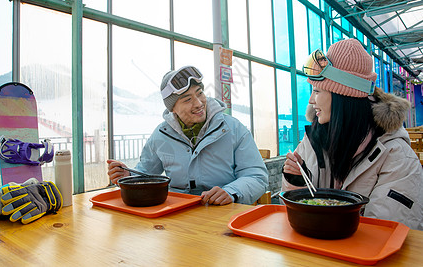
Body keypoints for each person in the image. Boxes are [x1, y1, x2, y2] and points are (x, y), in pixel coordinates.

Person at [282, 38, 423, 230]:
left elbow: (384, 233)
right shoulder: (313, 139)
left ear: (343, 96)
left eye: (317, 91)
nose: (311, 100)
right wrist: (296, 183)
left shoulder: (395, 155)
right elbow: (295, 213)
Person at [108, 65, 268, 205]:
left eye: (200, 93)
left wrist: (232, 192)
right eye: (187, 99)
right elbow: (146, 174)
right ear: (173, 109)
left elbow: (257, 176)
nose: (198, 103)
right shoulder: (161, 135)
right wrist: (129, 176)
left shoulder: (233, 128)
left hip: (225, 213)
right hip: (177, 216)